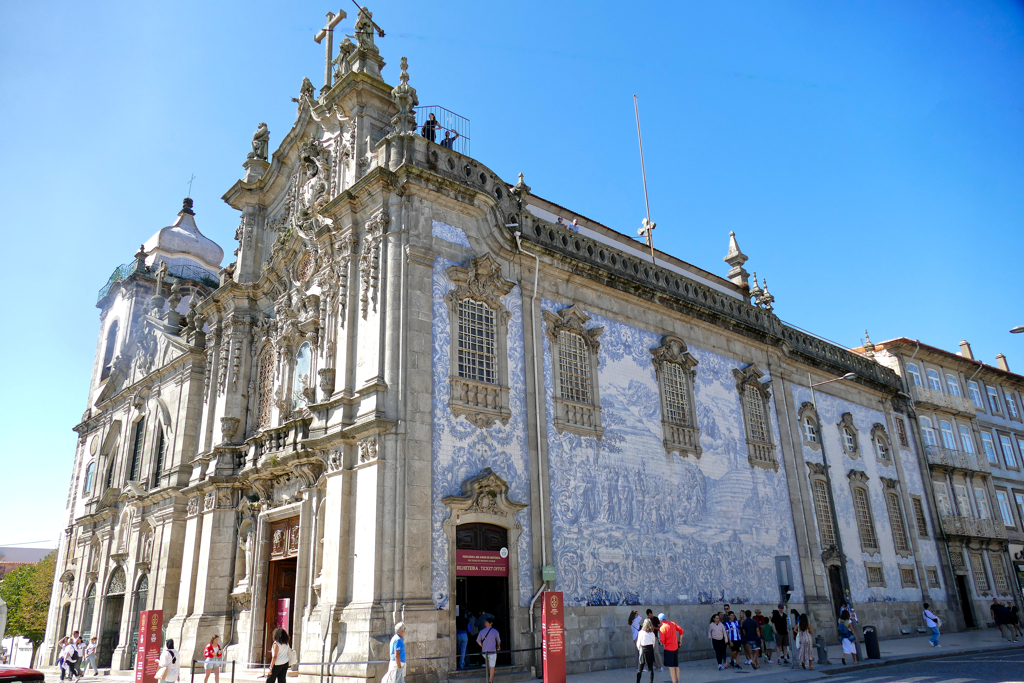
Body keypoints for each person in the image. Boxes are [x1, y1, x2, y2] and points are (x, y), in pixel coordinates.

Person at [658, 613, 683, 683]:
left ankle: (673, 681)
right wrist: (680, 641)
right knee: (676, 665)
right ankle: (678, 680)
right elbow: (681, 630)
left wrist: (661, 641)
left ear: (660, 620)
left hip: (668, 649)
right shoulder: (672, 623)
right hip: (676, 647)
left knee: (671, 666)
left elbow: (662, 641)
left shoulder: (662, 628)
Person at [476, 616, 500, 683]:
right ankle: (490, 681)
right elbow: (498, 641)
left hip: (485, 652)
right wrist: (499, 646)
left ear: (485, 623)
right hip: (492, 651)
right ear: (491, 623)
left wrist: (482, 646)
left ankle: (490, 676)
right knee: (492, 666)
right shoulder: (495, 631)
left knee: (489, 663)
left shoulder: (481, 631)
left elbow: (478, 641)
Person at [635, 619, 656, 683]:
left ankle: (638, 682)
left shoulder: (640, 633)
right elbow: (653, 643)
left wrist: (640, 649)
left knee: (640, 669)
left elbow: (638, 643)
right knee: (650, 669)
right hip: (650, 650)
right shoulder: (652, 633)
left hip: (643, 650)